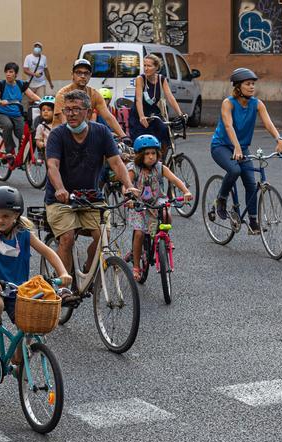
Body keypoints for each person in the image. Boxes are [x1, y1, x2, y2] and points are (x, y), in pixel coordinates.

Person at [0, 186, 71, 365]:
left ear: (16, 216)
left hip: (17, 288)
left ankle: (19, 358)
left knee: (28, 321)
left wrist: (63, 272)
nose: (0, 220)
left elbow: (48, 252)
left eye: (6, 216)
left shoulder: (24, 235)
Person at [45, 89, 138, 276]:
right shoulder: (57, 135)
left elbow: (116, 163)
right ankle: (65, 282)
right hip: (61, 199)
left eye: (76, 109)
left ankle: (88, 266)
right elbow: (52, 166)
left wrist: (129, 186)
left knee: (103, 236)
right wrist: (60, 189)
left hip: (90, 197)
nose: (71, 114)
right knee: (68, 237)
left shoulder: (101, 132)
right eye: (67, 110)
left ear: (88, 112)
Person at [210, 68, 282, 234]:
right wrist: (237, 147)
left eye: (253, 83)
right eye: (248, 84)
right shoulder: (228, 103)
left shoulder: (257, 104)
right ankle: (221, 199)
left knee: (251, 183)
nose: (252, 87)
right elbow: (228, 125)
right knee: (234, 169)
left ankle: (253, 222)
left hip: (242, 148)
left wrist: (279, 140)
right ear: (238, 87)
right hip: (222, 146)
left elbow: (268, 124)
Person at [126, 135, 192, 280]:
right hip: (139, 203)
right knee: (139, 233)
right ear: (139, 155)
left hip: (157, 200)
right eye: (147, 154)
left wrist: (186, 191)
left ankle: (165, 237)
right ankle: (136, 266)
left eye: (153, 153)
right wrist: (129, 196)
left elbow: (175, 179)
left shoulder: (160, 167)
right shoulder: (133, 169)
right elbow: (127, 185)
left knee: (167, 213)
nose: (151, 157)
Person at [51, 59, 126, 139]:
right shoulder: (62, 94)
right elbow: (66, 122)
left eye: (86, 73)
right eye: (79, 73)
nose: (83, 76)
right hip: (61, 139)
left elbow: (108, 117)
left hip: (83, 137)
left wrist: (124, 136)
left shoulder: (94, 95)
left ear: (90, 76)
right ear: (72, 75)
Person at [129, 54, 185, 160]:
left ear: (156, 67)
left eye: (149, 66)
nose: (146, 68)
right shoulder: (140, 79)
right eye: (144, 65)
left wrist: (180, 114)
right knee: (141, 144)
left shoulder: (161, 79)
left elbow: (170, 98)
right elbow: (138, 99)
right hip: (139, 115)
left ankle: (160, 162)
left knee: (165, 132)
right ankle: (139, 167)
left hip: (154, 114)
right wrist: (141, 116)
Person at [0, 62, 39, 159]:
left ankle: (21, 156)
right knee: (8, 125)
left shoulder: (21, 84)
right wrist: (0, 100)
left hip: (17, 114)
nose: (8, 74)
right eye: (7, 72)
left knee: (24, 134)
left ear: (16, 74)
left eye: (11, 72)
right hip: (2, 113)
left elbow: (32, 96)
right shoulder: (0, 84)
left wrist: (44, 102)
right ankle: (9, 151)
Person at [33, 95, 55, 162]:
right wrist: (42, 145)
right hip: (47, 150)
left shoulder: (58, 125)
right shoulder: (41, 127)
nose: (45, 112)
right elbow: (38, 140)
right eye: (43, 110)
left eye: (49, 110)